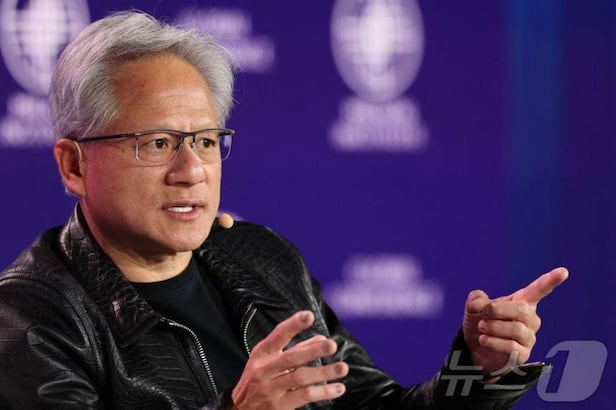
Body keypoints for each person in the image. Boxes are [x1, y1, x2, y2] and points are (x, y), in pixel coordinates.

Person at [0, 11, 568, 409]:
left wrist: (476, 371)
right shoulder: (28, 318)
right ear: (74, 165)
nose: (191, 170)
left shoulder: (261, 260)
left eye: (205, 141)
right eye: (157, 143)